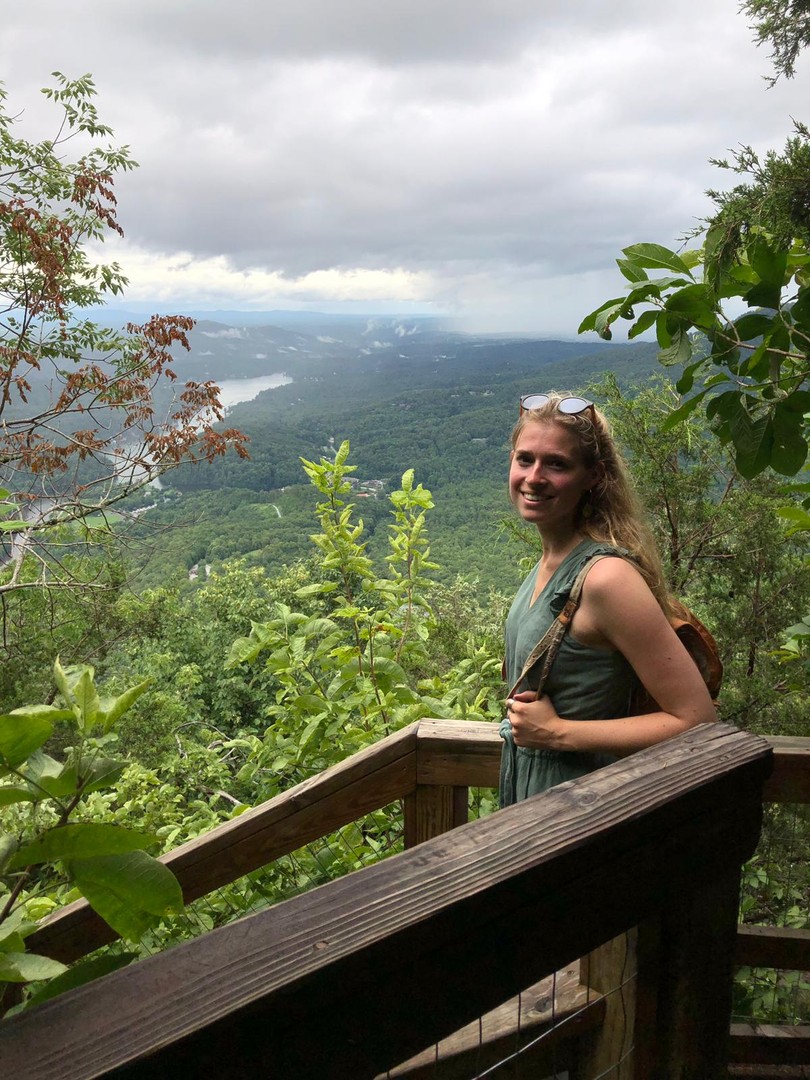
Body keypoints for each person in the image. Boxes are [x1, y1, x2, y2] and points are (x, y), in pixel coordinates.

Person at [499, 392, 716, 806]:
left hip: (584, 808)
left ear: (594, 476)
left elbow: (696, 720)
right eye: (525, 459)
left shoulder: (607, 577)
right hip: (537, 800)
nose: (534, 476)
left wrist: (557, 733)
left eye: (557, 464)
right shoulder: (551, 560)